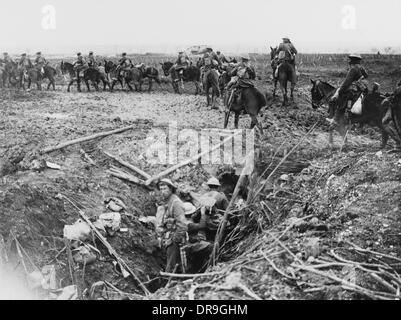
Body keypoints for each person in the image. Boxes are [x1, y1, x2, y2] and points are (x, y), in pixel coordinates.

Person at [157, 179, 188, 273]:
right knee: (171, 264)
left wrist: (173, 240)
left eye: (165, 188)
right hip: (169, 239)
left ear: (171, 189)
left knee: (172, 266)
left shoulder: (176, 203)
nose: (162, 191)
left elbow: (182, 226)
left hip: (175, 240)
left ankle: (171, 283)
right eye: (161, 189)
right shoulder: (167, 202)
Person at [328, 54, 368, 125]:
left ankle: (336, 119)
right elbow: (366, 76)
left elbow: (347, 82)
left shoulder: (353, 69)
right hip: (362, 89)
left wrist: (340, 91)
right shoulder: (361, 68)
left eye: (350, 60)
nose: (348, 61)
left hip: (355, 90)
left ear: (352, 61)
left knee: (341, 98)